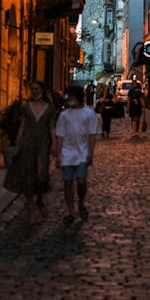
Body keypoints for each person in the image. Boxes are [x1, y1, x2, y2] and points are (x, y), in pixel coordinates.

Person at [7, 80, 55, 224]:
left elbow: (52, 127)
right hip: (27, 144)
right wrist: (17, 146)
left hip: (42, 145)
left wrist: (54, 145)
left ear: (42, 90)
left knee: (41, 176)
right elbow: (22, 127)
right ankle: (31, 214)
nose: (34, 91)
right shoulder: (26, 108)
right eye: (32, 89)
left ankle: (40, 200)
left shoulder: (49, 108)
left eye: (36, 88)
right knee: (28, 177)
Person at [54, 84, 100, 225]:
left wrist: (91, 153)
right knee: (67, 182)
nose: (69, 99)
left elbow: (92, 135)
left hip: (82, 153)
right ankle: (70, 211)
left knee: (81, 181)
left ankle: (81, 203)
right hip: (67, 153)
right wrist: (58, 154)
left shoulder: (89, 114)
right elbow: (60, 136)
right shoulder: (64, 115)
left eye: (71, 96)